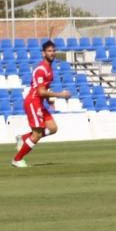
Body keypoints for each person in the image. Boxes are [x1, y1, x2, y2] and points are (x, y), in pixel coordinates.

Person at [11, 40, 71, 168]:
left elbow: (44, 89)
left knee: (53, 128)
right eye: (49, 51)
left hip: (39, 103)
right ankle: (17, 159)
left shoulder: (49, 68)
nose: (52, 53)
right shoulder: (41, 69)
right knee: (37, 134)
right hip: (33, 102)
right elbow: (40, 91)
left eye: (54, 51)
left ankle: (24, 138)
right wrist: (60, 95)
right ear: (43, 53)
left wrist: (49, 100)